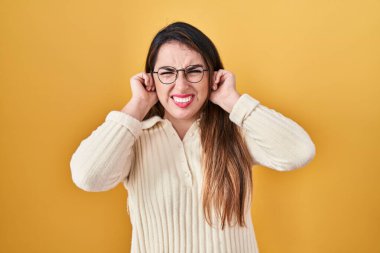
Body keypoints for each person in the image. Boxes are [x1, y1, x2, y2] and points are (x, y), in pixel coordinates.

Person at [70, 21, 316, 253]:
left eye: (194, 71)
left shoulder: (237, 130)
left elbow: (299, 152)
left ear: (212, 75)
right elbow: (88, 176)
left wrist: (231, 100)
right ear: (151, 79)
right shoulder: (134, 138)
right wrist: (137, 105)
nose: (181, 85)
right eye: (167, 72)